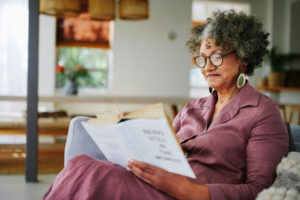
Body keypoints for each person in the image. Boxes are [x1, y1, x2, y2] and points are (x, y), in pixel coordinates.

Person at [43, 10, 288, 200]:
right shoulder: (192, 108)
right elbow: (163, 150)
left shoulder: (263, 112)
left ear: (244, 58)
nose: (208, 66)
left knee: (90, 172)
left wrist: (191, 192)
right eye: (202, 58)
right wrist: (128, 131)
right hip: (155, 186)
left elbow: (260, 190)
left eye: (217, 56)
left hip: (192, 196)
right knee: (82, 163)